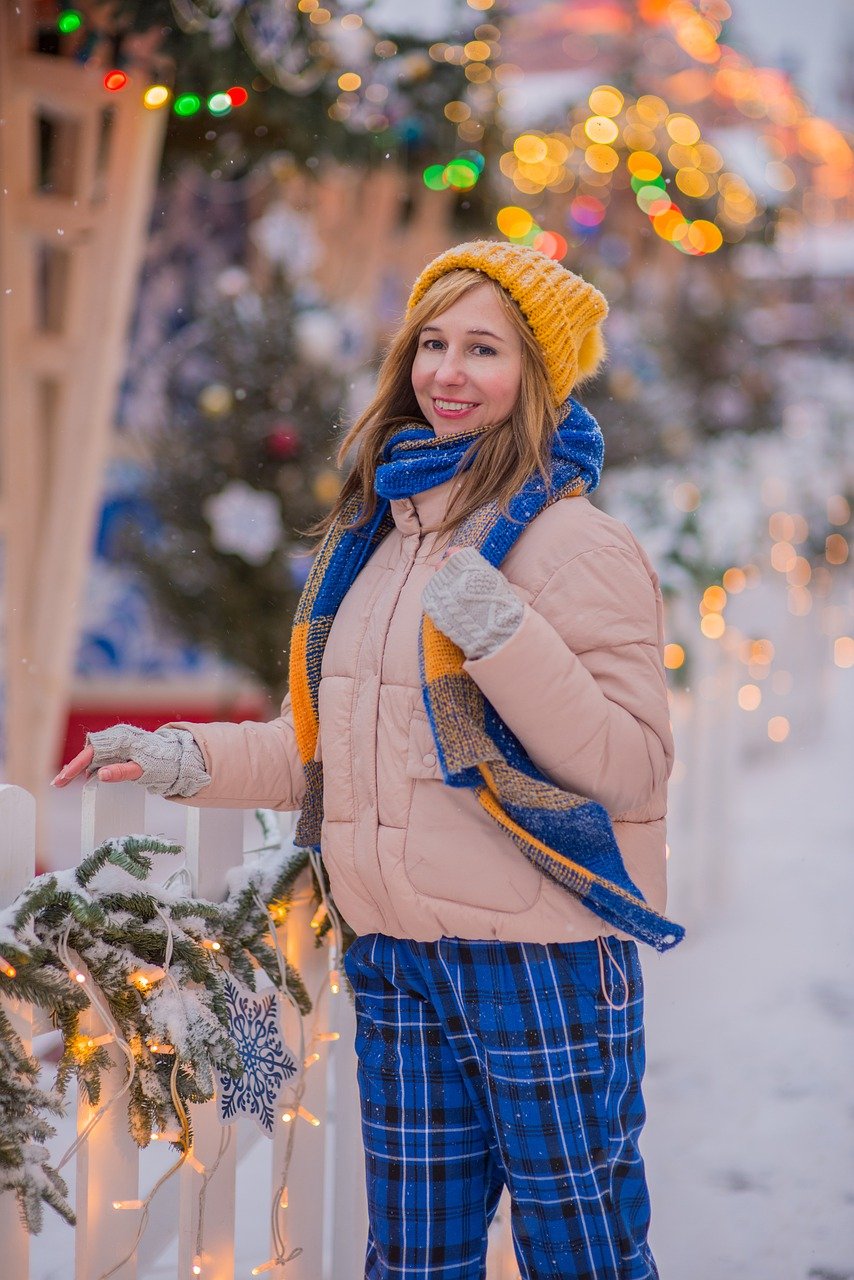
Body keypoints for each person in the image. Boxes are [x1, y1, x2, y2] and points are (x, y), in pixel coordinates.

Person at [55, 240, 679, 1279]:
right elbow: (329, 752)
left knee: (581, 1255)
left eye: (482, 348)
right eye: (430, 342)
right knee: (415, 1262)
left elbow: (632, 769)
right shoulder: (379, 539)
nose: (445, 371)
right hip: (396, 957)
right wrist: (173, 757)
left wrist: (498, 629)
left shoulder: (578, 546)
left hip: (540, 959)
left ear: (535, 375)